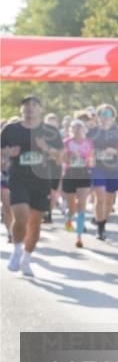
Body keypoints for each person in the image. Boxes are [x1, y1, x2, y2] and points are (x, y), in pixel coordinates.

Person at [1, 96, 63, 276]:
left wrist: (46, 149)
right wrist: (6, 152)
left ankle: (26, 259)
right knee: (21, 216)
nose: (30, 108)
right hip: (18, 179)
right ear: (21, 110)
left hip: (42, 181)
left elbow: (60, 158)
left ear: (40, 110)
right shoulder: (10, 129)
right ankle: (17, 251)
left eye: (34, 105)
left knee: (35, 223)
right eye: (26, 105)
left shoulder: (50, 131)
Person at [89, 104, 118, 241]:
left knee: (109, 200)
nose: (106, 118)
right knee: (99, 197)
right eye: (103, 115)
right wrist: (95, 153)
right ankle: (101, 229)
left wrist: (117, 151)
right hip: (97, 167)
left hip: (114, 168)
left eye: (109, 115)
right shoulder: (92, 131)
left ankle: (100, 219)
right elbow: (85, 148)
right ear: (98, 117)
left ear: (113, 117)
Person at [62, 119, 94, 248]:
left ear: (84, 130)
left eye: (79, 127)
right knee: (72, 206)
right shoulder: (66, 142)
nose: (76, 130)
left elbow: (92, 159)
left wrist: (88, 161)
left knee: (81, 204)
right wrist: (71, 156)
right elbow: (62, 158)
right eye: (74, 127)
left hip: (84, 174)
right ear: (70, 130)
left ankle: (79, 237)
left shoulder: (89, 142)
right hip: (70, 174)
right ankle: (69, 218)